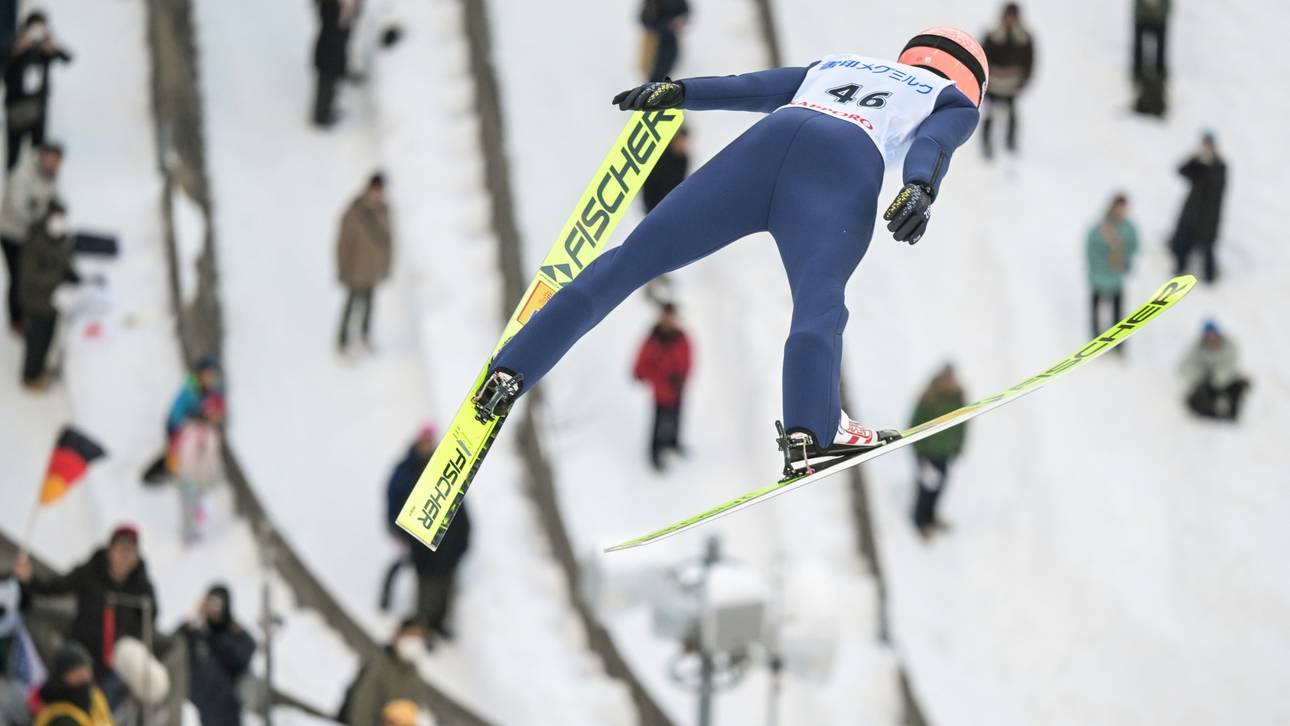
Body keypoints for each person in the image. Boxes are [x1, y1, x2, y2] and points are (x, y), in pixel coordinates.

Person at [474, 28, 987, 478]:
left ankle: (513, 368)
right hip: (841, 168)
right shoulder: (952, 100)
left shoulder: (839, 65)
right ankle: (813, 432)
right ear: (972, 84)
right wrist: (920, 187)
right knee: (819, 301)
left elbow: (751, 88)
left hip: (766, 145)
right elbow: (935, 144)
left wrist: (679, 90)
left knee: (634, 259)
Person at [14, 525, 158, 707]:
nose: (125, 557)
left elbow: (148, 624)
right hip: (79, 652)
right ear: (110, 550)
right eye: (122, 549)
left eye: (131, 552)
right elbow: (56, 587)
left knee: (99, 709)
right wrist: (30, 579)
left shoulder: (142, 589)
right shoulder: (91, 572)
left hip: (112, 666)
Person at [383, 427, 471, 640]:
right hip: (419, 539)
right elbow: (394, 501)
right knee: (426, 582)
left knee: (445, 585)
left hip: (447, 544)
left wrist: (463, 539)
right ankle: (422, 625)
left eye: (429, 442)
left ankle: (437, 624)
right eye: (424, 441)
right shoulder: (405, 470)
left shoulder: (441, 467)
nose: (426, 446)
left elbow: (460, 508)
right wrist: (399, 531)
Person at [0, 142, 62, 334]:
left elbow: (49, 196)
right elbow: (19, 207)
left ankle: (25, 311)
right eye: (51, 159)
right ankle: (16, 319)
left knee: (27, 276)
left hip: (28, 236)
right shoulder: (23, 175)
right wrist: (40, 216)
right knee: (18, 276)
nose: (53, 164)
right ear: (43, 156)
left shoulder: (49, 175)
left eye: (57, 162)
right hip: (12, 234)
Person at [18, 202, 79, 391]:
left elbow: (62, 260)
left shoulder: (62, 239)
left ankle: (39, 369)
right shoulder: (35, 241)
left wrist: (70, 274)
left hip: (51, 301)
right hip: (35, 301)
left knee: (47, 338)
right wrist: (58, 277)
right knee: (35, 341)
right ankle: (30, 376)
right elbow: (30, 277)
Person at [2, 13, 72, 171]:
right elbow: (4, 65)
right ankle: (12, 190)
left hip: (38, 108)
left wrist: (52, 47)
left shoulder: (44, 49)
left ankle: (34, 189)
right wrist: (18, 49)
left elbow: (67, 58)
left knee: (38, 153)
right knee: (13, 156)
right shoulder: (16, 45)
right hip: (15, 107)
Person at [181, 585, 256, 726]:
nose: (214, 610)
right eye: (211, 603)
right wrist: (191, 624)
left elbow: (244, 656)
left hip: (226, 709)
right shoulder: (195, 632)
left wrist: (229, 637)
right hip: (197, 707)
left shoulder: (234, 633)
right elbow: (174, 648)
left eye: (219, 604)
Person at [141, 357, 223, 484]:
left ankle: (172, 470)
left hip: (188, 428)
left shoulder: (209, 390)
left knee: (185, 453)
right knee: (174, 454)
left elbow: (211, 407)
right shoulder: (190, 390)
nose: (210, 378)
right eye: (207, 374)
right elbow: (179, 412)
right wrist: (182, 426)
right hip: (176, 426)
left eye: (213, 375)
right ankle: (153, 475)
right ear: (200, 374)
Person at [909, 365, 967, 539]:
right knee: (926, 489)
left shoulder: (957, 399)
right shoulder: (929, 399)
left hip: (944, 453)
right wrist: (920, 454)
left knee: (940, 488)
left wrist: (958, 446)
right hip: (927, 455)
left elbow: (962, 425)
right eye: (946, 379)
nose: (949, 382)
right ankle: (920, 521)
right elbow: (913, 426)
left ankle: (932, 518)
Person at [336, 174, 392, 353]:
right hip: (355, 269)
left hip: (373, 270)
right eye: (375, 189)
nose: (377, 194)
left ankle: (364, 336)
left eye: (380, 190)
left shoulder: (384, 210)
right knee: (351, 304)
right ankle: (343, 339)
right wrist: (342, 267)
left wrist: (386, 265)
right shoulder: (355, 210)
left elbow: (388, 242)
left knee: (369, 306)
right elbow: (343, 242)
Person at [633, 303, 692, 470]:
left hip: (678, 391)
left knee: (676, 419)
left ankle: (673, 443)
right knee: (658, 423)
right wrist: (659, 379)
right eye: (666, 316)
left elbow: (689, 360)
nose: (669, 320)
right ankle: (654, 453)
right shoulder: (652, 339)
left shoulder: (682, 337)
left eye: (672, 317)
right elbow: (641, 365)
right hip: (660, 392)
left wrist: (682, 379)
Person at [336, 620, 427, 726]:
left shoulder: (414, 677)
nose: (415, 642)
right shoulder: (378, 665)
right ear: (398, 635)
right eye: (412, 635)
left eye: (419, 638)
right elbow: (360, 710)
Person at [1169, 131, 1227, 283]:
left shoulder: (1220, 165)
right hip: (1191, 212)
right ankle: (1180, 270)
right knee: (1183, 242)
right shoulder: (1198, 163)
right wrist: (1195, 159)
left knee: (1207, 247)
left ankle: (1210, 277)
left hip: (1209, 217)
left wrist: (1209, 164)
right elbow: (1181, 171)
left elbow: (1217, 184)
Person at [980, 3, 1034, 158]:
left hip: (1011, 87)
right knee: (988, 114)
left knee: (1012, 115)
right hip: (992, 86)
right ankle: (986, 144)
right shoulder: (992, 35)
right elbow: (982, 58)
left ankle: (1011, 143)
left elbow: (1029, 62)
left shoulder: (1024, 38)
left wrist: (1022, 82)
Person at [172, 395, 226, 544]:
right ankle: (187, 537)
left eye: (220, 414)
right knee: (188, 508)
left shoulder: (211, 432)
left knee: (196, 506)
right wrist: (193, 477)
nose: (218, 417)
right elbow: (187, 457)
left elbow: (211, 459)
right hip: (189, 479)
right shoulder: (196, 431)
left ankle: (193, 531)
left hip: (199, 480)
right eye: (215, 413)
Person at [1085, 193, 1139, 342]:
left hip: (1116, 277)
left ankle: (1118, 342)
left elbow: (1134, 246)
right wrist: (1103, 263)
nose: (1121, 211)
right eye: (1119, 207)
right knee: (1096, 309)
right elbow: (1091, 249)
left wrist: (1125, 260)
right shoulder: (1100, 227)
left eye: (1124, 208)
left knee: (1118, 312)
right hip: (1099, 276)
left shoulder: (1128, 228)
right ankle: (1095, 339)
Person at [1180, 320, 1249, 422]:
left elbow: (1231, 365)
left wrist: (1216, 377)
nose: (1211, 338)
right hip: (1206, 383)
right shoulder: (1197, 347)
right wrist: (1200, 375)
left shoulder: (1229, 345)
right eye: (1208, 335)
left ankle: (1232, 417)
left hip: (1226, 380)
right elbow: (1185, 366)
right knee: (1196, 398)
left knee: (1239, 387)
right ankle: (1209, 416)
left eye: (1213, 334)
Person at [30, 642, 112, 726]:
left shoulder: (94, 696)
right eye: (75, 671)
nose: (84, 675)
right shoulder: (59, 717)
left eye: (85, 668)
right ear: (61, 677)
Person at [313, 0, 357, 127]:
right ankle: (321, 115)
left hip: (341, 10)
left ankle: (326, 108)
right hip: (334, 8)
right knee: (329, 58)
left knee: (337, 48)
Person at [639, 0, 690, 82]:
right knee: (654, 75)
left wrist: (681, 20)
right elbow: (646, 19)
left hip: (671, 40)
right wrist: (667, 25)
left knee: (668, 71)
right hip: (655, 42)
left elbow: (685, 11)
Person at [642, 127, 690, 213]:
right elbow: (650, 182)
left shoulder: (684, 159)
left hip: (671, 206)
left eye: (684, 142)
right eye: (680, 141)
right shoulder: (661, 157)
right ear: (675, 140)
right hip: (654, 205)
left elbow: (679, 184)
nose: (682, 145)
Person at [1132, 0, 1170, 81]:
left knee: (1161, 48)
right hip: (1143, 15)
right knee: (1139, 48)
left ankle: (1159, 74)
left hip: (1159, 16)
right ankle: (1138, 73)